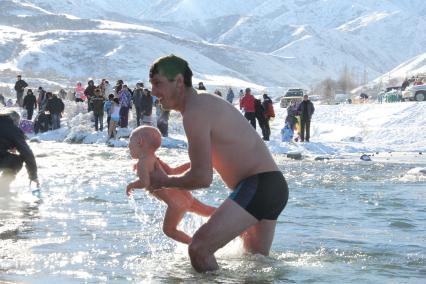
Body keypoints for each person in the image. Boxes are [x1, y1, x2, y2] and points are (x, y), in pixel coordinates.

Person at [148, 55, 289, 272]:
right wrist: (173, 173)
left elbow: (202, 178)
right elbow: (214, 155)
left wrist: (164, 181)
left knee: (199, 248)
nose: (154, 92)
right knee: (255, 267)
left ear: (178, 81)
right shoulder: (202, 103)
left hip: (258, 185)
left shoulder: (195, 111)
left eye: (158, 84)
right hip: (270, 186)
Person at [126, 126, 216, 244]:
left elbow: (145, 182)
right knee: (208, 211)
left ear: (139, 142)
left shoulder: (143, 163)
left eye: (130, 143)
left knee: (169, 230)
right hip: (185, 195)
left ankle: (197, 245)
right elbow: (173, 172)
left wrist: (131, 185)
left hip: (176, 204)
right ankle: (237, 221)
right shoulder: (155, 159)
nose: (128, 147)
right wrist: (196, 162)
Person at [0, 110, 39, 189]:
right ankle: (3, 186)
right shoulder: (13, 129)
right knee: (16, 160)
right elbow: (27, 153)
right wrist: (33, 176)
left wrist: (7, 147)